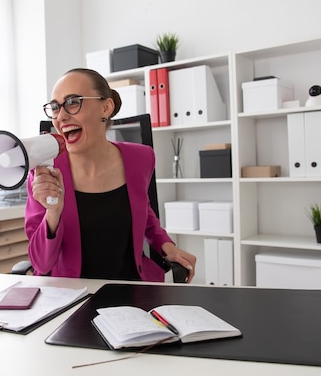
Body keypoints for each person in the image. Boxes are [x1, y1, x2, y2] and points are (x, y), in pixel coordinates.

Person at [24, 68, 196, 282]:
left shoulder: (141, 158)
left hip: (130, 290)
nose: (61, 116)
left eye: (73, 102)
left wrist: (167, 245)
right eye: (55, 107)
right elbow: (41, 263)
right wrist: (53, 213)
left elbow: (144, 210)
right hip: (71, 296)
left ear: (106, 107)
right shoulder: (44, 172)